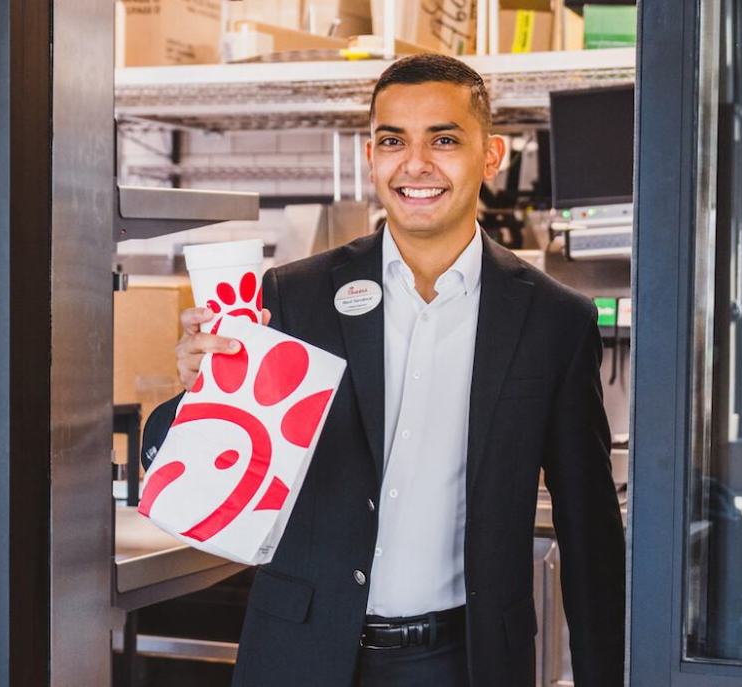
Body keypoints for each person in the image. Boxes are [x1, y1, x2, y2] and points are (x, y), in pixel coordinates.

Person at [141, 53, 624, 687]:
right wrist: (196, 394)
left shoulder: (554, 321)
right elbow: (174, 463)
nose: (415, 163)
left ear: (492, 156)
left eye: (444, 139)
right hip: (302, 653)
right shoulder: (293, 296)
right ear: (371, 157)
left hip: (466, 660)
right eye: (392, 140)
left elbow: (587, 524)